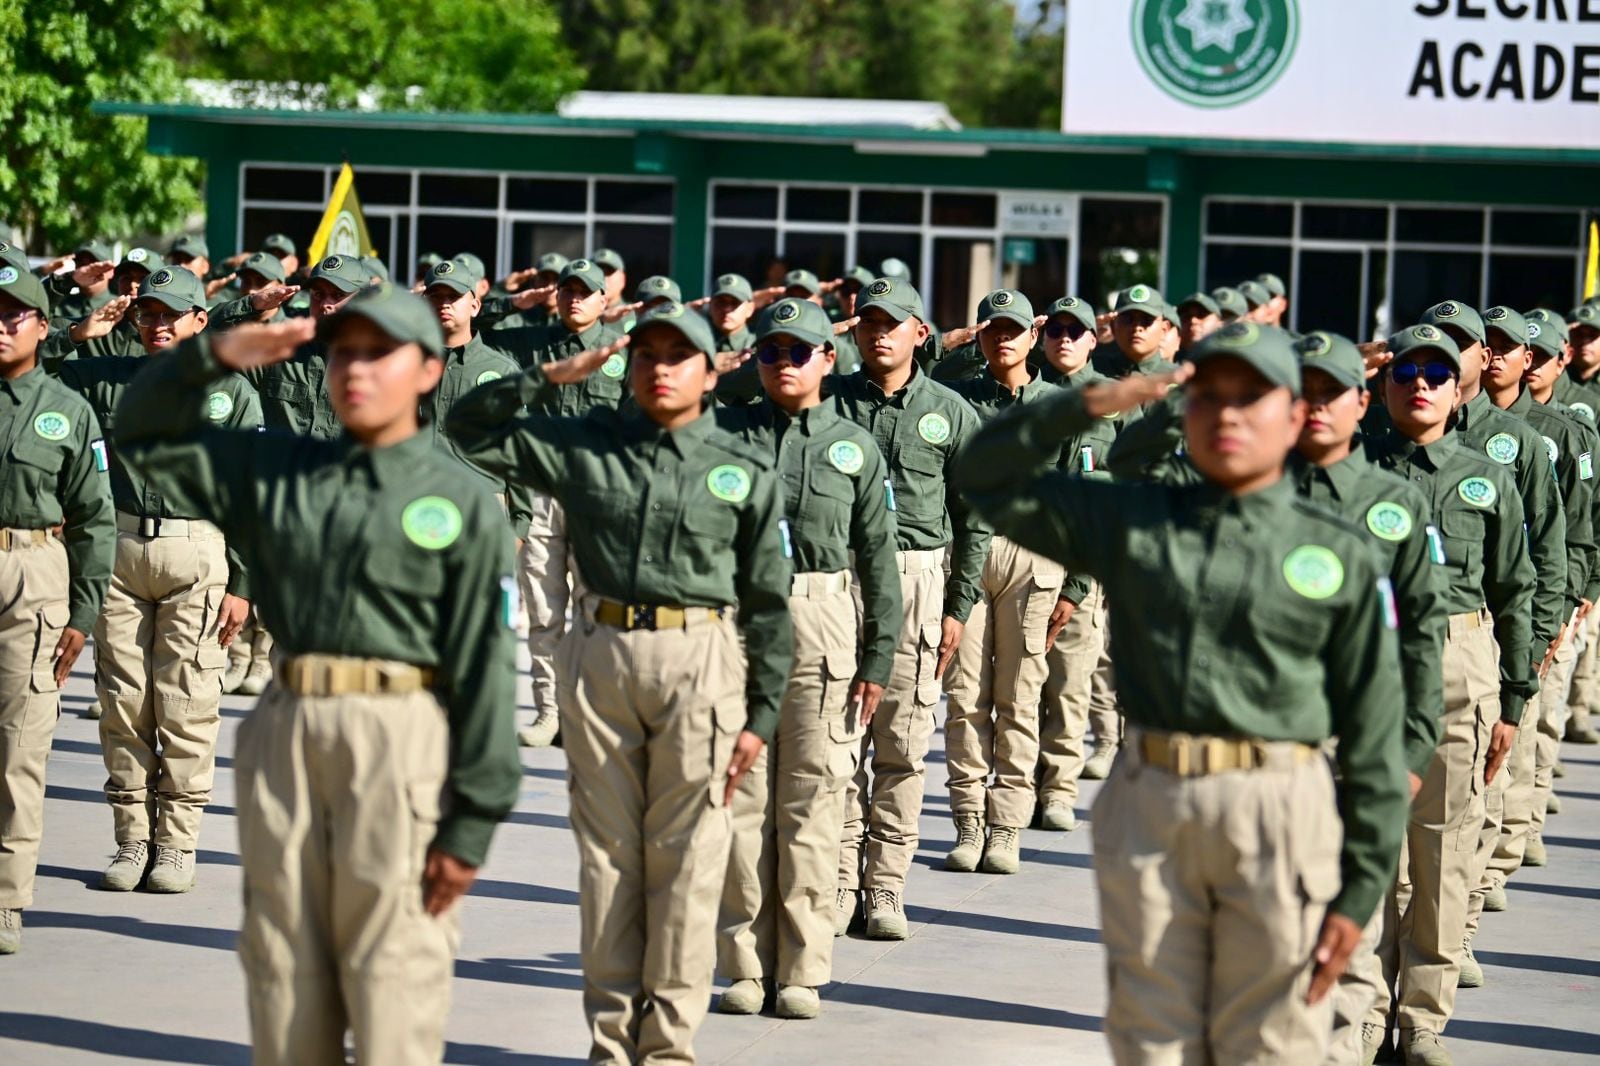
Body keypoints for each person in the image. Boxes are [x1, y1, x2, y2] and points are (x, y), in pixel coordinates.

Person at [955, 320, 1408, 1065]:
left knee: (1271, 1043)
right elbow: (985, 475)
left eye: (1252, 397)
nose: (1227, 415)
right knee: (1151, 1038)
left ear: (1294, 416)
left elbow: (1374, 734)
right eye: (1209, 397)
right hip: (1153, 798)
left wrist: (1359, 896)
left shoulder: (1337, 552)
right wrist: (1092, 401)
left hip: (1280, 807)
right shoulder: (1132, 519)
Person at [111, 285, 520, 1065]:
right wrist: (214, 353)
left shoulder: (460, 498)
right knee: (283, 966)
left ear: (429, 370)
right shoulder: (274, 466)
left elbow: (486, 668)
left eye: (379, 352)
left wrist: (472, 823)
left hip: (400, 731)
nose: (354, 369)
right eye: (341, 352)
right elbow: (141, 433)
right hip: (288, 722)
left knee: (393, 967)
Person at [445, 299, 793, 1064]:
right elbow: (465, 429)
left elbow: (768, 604)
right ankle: (611, 1044)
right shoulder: (583, 444)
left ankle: (666, 1047)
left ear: (711, 372)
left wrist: (761, 715)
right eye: (646, 354)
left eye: (678, 356)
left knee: (688, 861)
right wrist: (543, 376)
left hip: (701, 662)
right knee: (607, 863)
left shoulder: (739, 471)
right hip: (601, 656)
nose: (660, 368)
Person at [712, 297, 900, 1020]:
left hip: (824, 621)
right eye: (771, 351)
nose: (783, 363)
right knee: (742, 802)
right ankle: (744, 965)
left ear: (830, 359)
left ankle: (802, 966)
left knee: (814, 803)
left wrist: (879, 657)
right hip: (738, 621)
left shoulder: (852, 447)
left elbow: (879, 558)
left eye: (800, 352)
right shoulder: (727, 436)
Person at [50, 265, 261, 892]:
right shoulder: (104, 379)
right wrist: (74, 331)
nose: (158, 324)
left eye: (172, 313)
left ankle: (175, 845)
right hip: (120, 552)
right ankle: (131, 839)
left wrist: (245, 583)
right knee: (122, 704)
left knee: (187, 703)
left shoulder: (231, 392)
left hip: (197, 551)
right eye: (148, 313)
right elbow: (28, 382)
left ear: (201, 319)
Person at [1364, 323, 1536, 1066]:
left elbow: (1517, 587)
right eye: (1408, 370)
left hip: (1460, 660)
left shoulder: (1486, 477)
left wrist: (1516, 698)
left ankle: (1422, 1020)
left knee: (1444, 849)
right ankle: (1366, 1006)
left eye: (1438, 371)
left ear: (1456, 383)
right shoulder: (1350, 468)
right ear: (1385, 380)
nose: (1423, 383)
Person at [1290, 331, 1449, 1065]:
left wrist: (1413, 748)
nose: (1316, 405)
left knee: (1353, 912)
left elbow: (1422, 634)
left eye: (1333, 390)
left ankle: (1347, 1047)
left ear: (1362, 401)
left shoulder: (1397, 502)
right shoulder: (1247, 489)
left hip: (1363, 742)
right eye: (1303, 389)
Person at [831, 276, 989, 938]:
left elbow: (974, 516)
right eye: (867, 320)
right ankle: (838, 881)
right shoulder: (827, 401)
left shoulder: (952, 412)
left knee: (900, 742)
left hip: (919, 579)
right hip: (842, 576)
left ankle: (885, 887)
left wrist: (960, 604)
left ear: (921, 333)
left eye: (892, 321)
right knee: (836, 742)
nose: (878, 331)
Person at [0, 265, 115, 955]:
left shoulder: (68, 409)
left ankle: (6, 898)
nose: (0, 324)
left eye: (15, 313)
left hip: (34, 571)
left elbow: (94, 518)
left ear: (43, 327)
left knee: (20, 745)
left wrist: (84, 613)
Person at [940, 290, 1063, 873]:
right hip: (968, 553)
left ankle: (1007, 826)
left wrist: (1079, 584)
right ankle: (968, 820)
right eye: (992, 330)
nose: (1003, 339)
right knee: (965, 697)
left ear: (1032, 337)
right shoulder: (958, 399)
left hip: (1034, 558)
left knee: (1019, 697)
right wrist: (959, 336)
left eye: (1014, 329)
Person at [487, 258, 629, 747]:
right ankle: (550, 710)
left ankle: (584, 712)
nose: (574, 299)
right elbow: (467, 330)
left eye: (585, 291)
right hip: (542, 490)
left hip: (597, 495)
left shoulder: (621, 352)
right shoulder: (532, 344)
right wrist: (515, 301)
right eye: (567, 290)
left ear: (604, 300)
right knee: (544, 609)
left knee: (596, 609)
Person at [1033, 295, 1122, 827]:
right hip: (1024, 558)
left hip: (1080, 564)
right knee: (1020, 691)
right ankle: (1019, 786)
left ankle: (1059, 788)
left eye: (1076, 331)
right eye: (1056, 330)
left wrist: (1083, 580)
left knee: (1070, 682)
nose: (1064, 338)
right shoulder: (1027, 393)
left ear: (1094, 339)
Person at [210, 254, 370, 438]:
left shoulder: (379, 363)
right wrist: (251, 304)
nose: (326, 304)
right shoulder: (283, 349)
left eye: (338, 295)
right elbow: (208, 340)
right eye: (318, 294)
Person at [1093, 284, 1177, 381]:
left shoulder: (1179, 378)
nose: (1137, 327)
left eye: (1147, 320)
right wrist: (1087, 335)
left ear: (1164, 329)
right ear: (1113, 326)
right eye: (1128, 319)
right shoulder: (1091, 371)